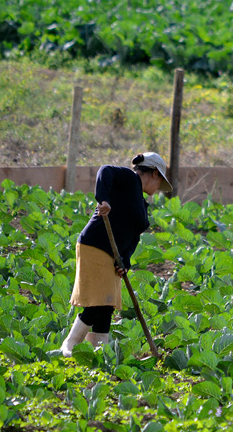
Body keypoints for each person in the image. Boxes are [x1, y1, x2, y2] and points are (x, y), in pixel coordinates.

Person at [60, 152, 173, 356]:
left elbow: (133, 238)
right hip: (95, 245)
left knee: (107, 304)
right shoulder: (130, 179)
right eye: (160, 182)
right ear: (154, 173)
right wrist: (103, 199)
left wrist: (125, 261)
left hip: (113, 255)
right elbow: (105, 170)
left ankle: (99, 351)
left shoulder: (142, 204)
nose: (158, 190)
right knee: (99, 302)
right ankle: (70, 344)